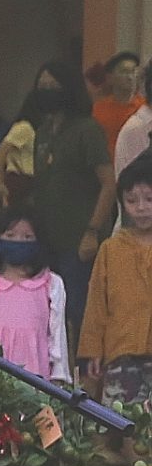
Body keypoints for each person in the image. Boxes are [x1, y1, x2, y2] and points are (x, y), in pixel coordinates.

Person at [16, 62, 113, 344]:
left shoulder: (87, 129)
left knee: (80, 309)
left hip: (79, 237)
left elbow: (108, 182)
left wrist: (93, 231)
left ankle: (86, 377)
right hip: (48, 237)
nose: (46, 93)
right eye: (42, 87)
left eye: (53, 88)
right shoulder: (44, 130)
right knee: (50, 310)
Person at [0, 210, 69, 383]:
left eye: (27, 237)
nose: (19, 241)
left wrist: (59, 377)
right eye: (10, 235)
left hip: (38, 382)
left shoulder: (52, 284)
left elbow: (58, 336)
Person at [79, 157, 152, 405]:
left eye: (150, 200)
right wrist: (91, 351)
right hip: (120, 351)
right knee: (123, 426)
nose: (141, 208)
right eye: (132, 201)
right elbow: (97, 303)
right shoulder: (111, 249)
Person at [89, 52, 141, 151]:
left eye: (134, 72)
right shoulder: (98, 109)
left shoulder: (145, 109)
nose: (130, 77)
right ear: (110, 78)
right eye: (124, 72)